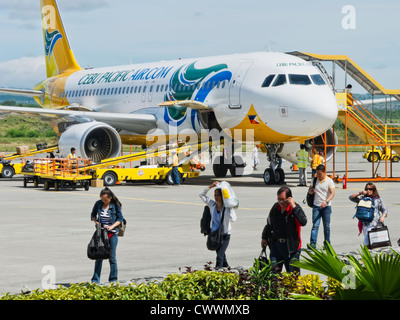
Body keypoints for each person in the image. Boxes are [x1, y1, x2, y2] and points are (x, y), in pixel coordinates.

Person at [261, 187, 307, 273]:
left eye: (282, 200)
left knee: (293, 277)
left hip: (291, 248)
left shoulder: (295, 209)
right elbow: (269, 224)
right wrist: (264, 237)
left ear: (289, 199)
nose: (280, 202)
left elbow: (303, 222)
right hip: (276, 246)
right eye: (278, 199)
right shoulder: (276, 207)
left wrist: (294, 207)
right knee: (273, 274)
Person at [199, 181, 237, 269]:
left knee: (219, 255)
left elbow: (233, 219)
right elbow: (201, 195)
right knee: (221, 254)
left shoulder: (227, 208)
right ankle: (226, 267)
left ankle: (218, 271)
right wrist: (210, 186)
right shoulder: (212, 205)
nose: (216, 197)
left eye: (218, 195)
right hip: (215, 234)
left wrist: (229, 208)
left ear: (222, 196)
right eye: (215, 195)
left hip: (225, 235)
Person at [90, 187, 124, 283]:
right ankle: (95, 280)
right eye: (102, 199)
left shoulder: (115, 205)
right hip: (101, 234)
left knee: (112, 257)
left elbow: (120, 219)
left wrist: (112, 227)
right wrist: (96, 222)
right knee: (99, 257)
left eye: (106, 199)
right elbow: (93, 215)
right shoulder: (98, 204)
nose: (104, 201)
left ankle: (113, 280)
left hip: (112, 234)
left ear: (110, 198)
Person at [308, 164, 335, 248]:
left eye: (320, 173)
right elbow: (310, 189)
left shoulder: (329, 181)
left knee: (326, 226)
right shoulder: (315, 179)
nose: (318, 175)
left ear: (324, 172)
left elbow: (332, 193)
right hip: (316, 206)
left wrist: (326, 201)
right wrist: (310, 192)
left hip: (326, 207)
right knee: (315, 225)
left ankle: (327, 243)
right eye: (317, 173)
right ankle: (313, 243)